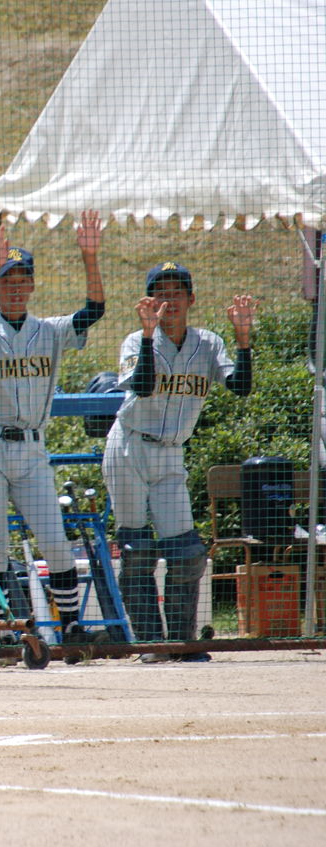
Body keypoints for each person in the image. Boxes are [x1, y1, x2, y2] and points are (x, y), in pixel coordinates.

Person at [0, 212, 107, 646]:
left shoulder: (50, 331)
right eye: (8, 280)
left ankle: (72, 627)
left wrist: (89, 256)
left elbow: (94, 310)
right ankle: (4, 630)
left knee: (55, 541)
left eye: (23, 280)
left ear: (33, 285)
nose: (16, 287)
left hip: (31, 449)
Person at [103, 263, 257, 661]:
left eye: (177, 291)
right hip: (129, 447)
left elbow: (241, 387)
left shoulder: (208, 343)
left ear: (191, 299)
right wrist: (149, 335)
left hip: (171, 451)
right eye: (161, 292)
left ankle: (182, 643)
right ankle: (151, 645)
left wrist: (243, 340)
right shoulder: (135, 340)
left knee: (187, 552)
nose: (169, 299)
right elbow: (141, 386)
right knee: (137, 547)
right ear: (149, 301)